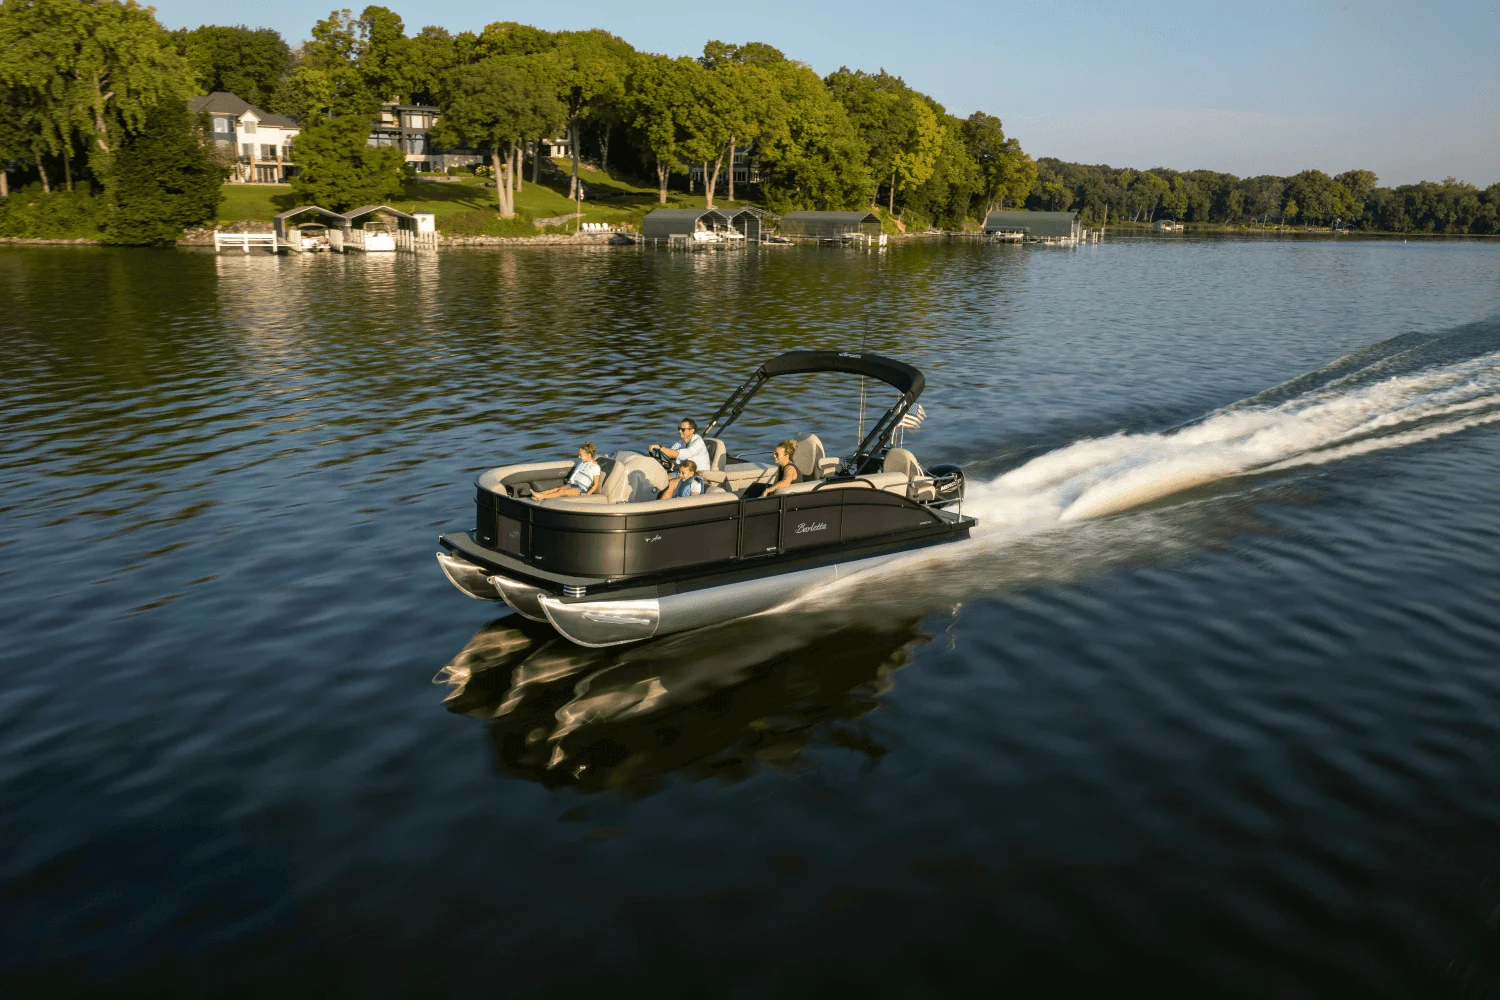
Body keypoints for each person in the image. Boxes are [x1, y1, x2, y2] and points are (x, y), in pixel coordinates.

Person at [533, 442, 603, 500]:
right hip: (572, 485)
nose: (579, 457)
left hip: (580, 490)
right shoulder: (583, 463)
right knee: (557, 489)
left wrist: (587, 495)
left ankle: (541, 497)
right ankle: (539, 494)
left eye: (580, 455)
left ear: (589, 455)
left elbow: (596, 485)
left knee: (561, 492)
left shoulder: (595, 467)